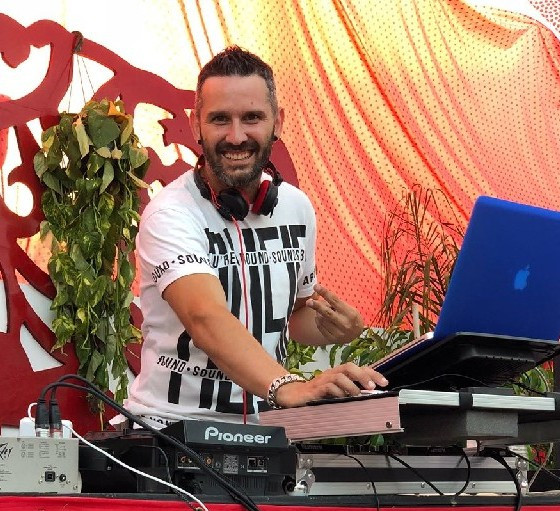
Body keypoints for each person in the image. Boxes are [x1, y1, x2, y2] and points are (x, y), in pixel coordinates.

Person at [125, 46, 387, 427]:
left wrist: (335, 328)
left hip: (264, 431)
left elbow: (294, 316)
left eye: (252, 118)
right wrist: (286, 385)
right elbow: (204, 315)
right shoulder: (170, 213)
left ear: (277, 122)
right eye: (220, 119)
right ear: (196, 125)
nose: (236, 136)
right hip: (171, 428)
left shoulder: (296, 208)